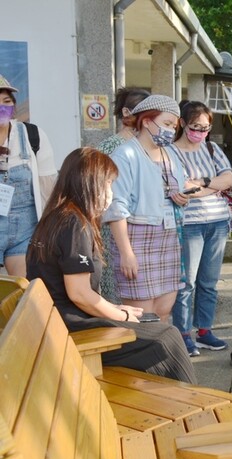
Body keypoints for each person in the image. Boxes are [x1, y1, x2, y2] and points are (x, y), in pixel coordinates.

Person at [26, 147, 196, 382]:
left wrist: (117, 309)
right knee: (167, 337)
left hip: (56, 320)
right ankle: (189, 405)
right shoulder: (74, 224)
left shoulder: (55, 217)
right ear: (90, 183)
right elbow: (80, 295)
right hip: (71, 327)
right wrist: (121, 316)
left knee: (153, 325)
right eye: (108, 184)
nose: (110, 193)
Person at [103, 95, 190, 322]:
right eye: (167, 124)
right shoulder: (125, 154)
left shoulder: (170, 153)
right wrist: (126, 253)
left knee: (164, 309)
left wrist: (181, 197)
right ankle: (143, 357)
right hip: (136, 237)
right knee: (142, 315)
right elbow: (116, 206)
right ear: (147, 121)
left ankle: (161, 355)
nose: (171, 131)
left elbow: (176, 185)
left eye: (174, 126)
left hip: (169, 237)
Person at [169, 101, 232, 355]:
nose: (200, 132)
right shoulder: (170, 151)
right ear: (183, 123)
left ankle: (205, 330)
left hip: (218, 222)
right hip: (190, 225)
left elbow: (230, 180)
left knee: (209, 281)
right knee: (186, 282)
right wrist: (212, 187)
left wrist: (203, 183)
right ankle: (183, 333)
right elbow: (181, 188)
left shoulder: (212, 148)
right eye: (196, 126)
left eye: (205, 128)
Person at [96, 87, 150, 305]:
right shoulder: (109, 148)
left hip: (141, 230)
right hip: (113, 232)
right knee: (120, 298)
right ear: (127, 113)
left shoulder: (144, 146)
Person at [0, 74, 57, 278]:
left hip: (25, 230)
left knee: (24, 292)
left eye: (6, 102)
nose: (2, 107)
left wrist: (52, 230)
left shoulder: (32, 136)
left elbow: (48, 188)